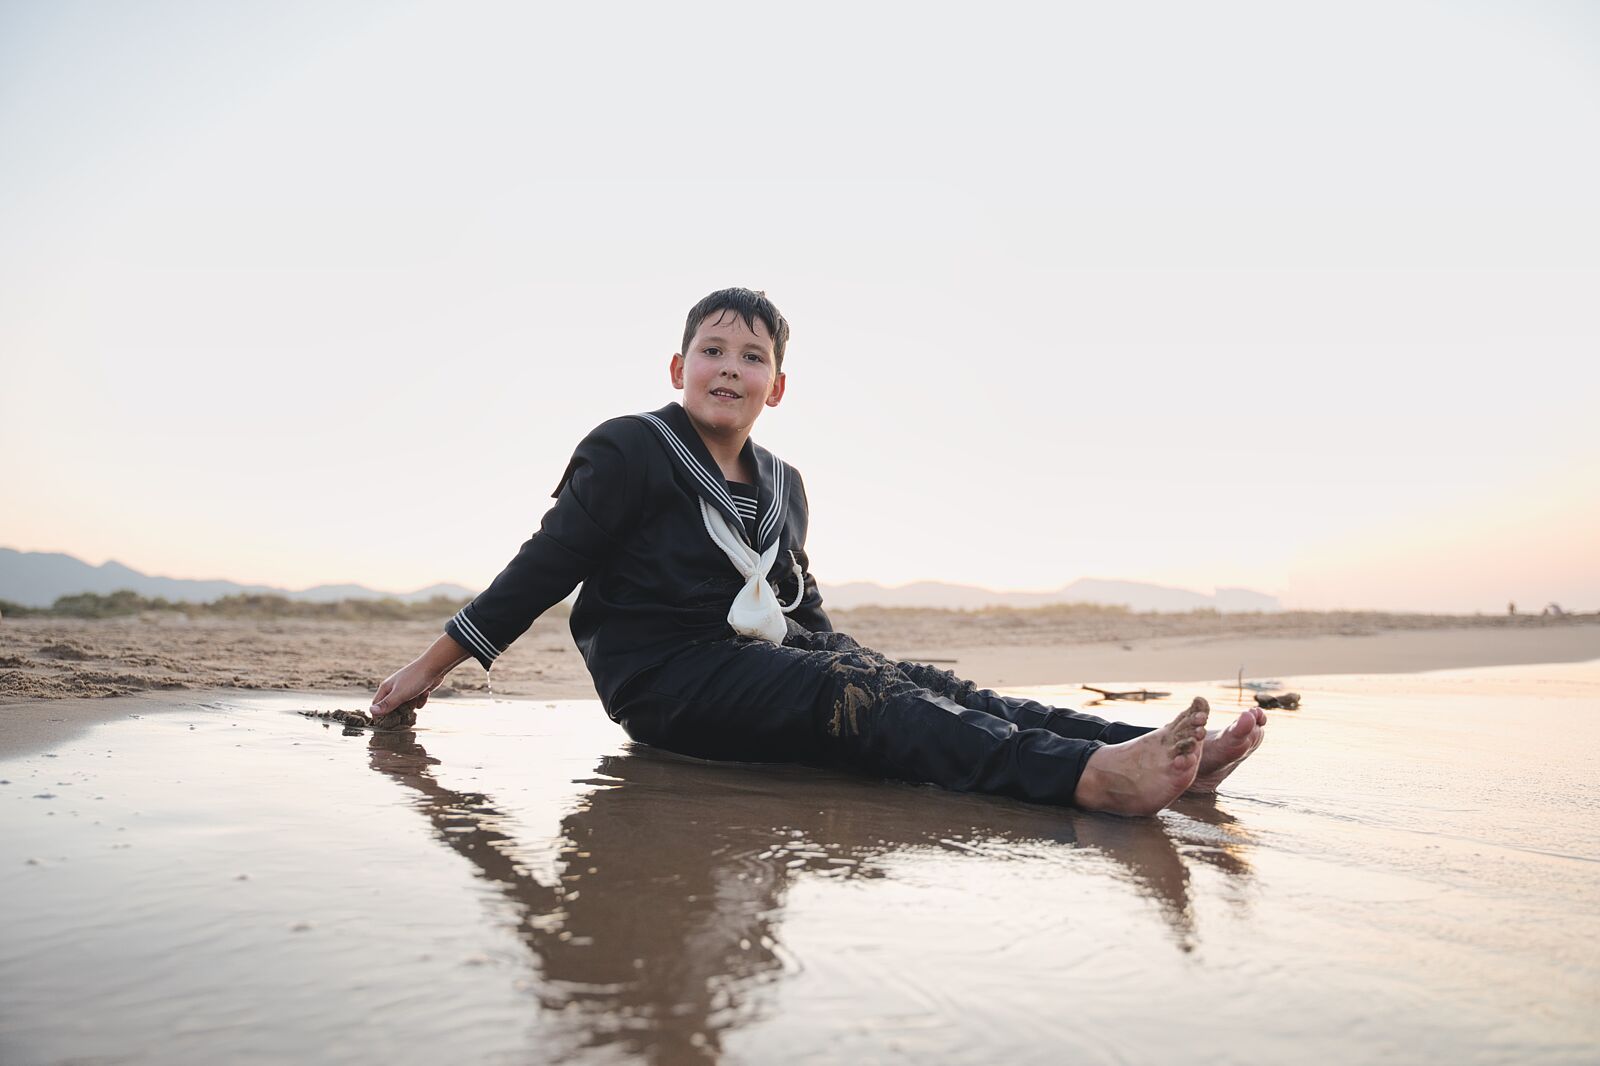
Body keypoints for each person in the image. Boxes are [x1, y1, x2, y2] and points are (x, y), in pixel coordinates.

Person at [371, 288, 1265, 815]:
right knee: (848, 691)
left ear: (779, 384)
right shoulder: (629, 447)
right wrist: (432, 667)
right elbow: (545, 563)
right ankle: (1092, 780)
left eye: (750, 355)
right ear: (675, 367)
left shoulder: (786, 483)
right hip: (667, 678)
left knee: (924, 684)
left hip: (763, 665)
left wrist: (858, 657)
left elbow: (800, 611)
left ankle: (1165, 759)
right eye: (711, 350)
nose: (729, 367)